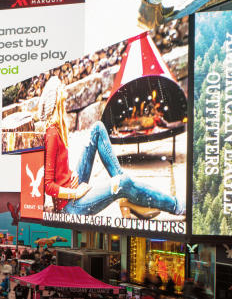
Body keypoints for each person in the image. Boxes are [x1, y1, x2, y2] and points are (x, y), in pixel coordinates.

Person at [39, 76, 184, 218]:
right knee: (123, 183)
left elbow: (59, 169)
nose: (65, 106)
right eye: (63, 101)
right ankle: (175, 205)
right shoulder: (52, 133)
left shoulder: (56, 130)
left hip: (71, 187)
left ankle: (126, 193)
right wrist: (74, 193)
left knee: (97, 128)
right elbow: (49, 186)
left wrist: (71, 174)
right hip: (70, 207)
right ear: (57, 103)